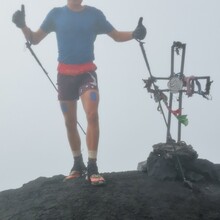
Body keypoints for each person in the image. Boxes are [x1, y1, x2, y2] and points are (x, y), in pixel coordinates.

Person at [12, 0, 146, 186]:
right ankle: (77, 164)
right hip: (64, 75)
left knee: (92, 114)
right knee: (70, 122)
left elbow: (115, 35)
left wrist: (134, 33)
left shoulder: (94, 14)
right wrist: (22, 26)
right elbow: (34, 39)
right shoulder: (55, 14)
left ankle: (92, 167)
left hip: (87, 73)